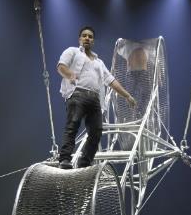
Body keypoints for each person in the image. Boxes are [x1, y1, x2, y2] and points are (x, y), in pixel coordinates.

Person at [57, 26, 137, 169]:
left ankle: (84, 164)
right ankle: (64, 159)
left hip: (95, 100)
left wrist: (127, 95)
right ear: (79, 39)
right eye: (84, 35)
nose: (87, 38)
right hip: (78, 94)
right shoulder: (72, 52)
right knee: (72, 126)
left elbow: (111, 81)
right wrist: (70, 75)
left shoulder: (99, 62)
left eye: (90, 36)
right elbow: (61, 66)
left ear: (93, 40)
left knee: (96, 132)